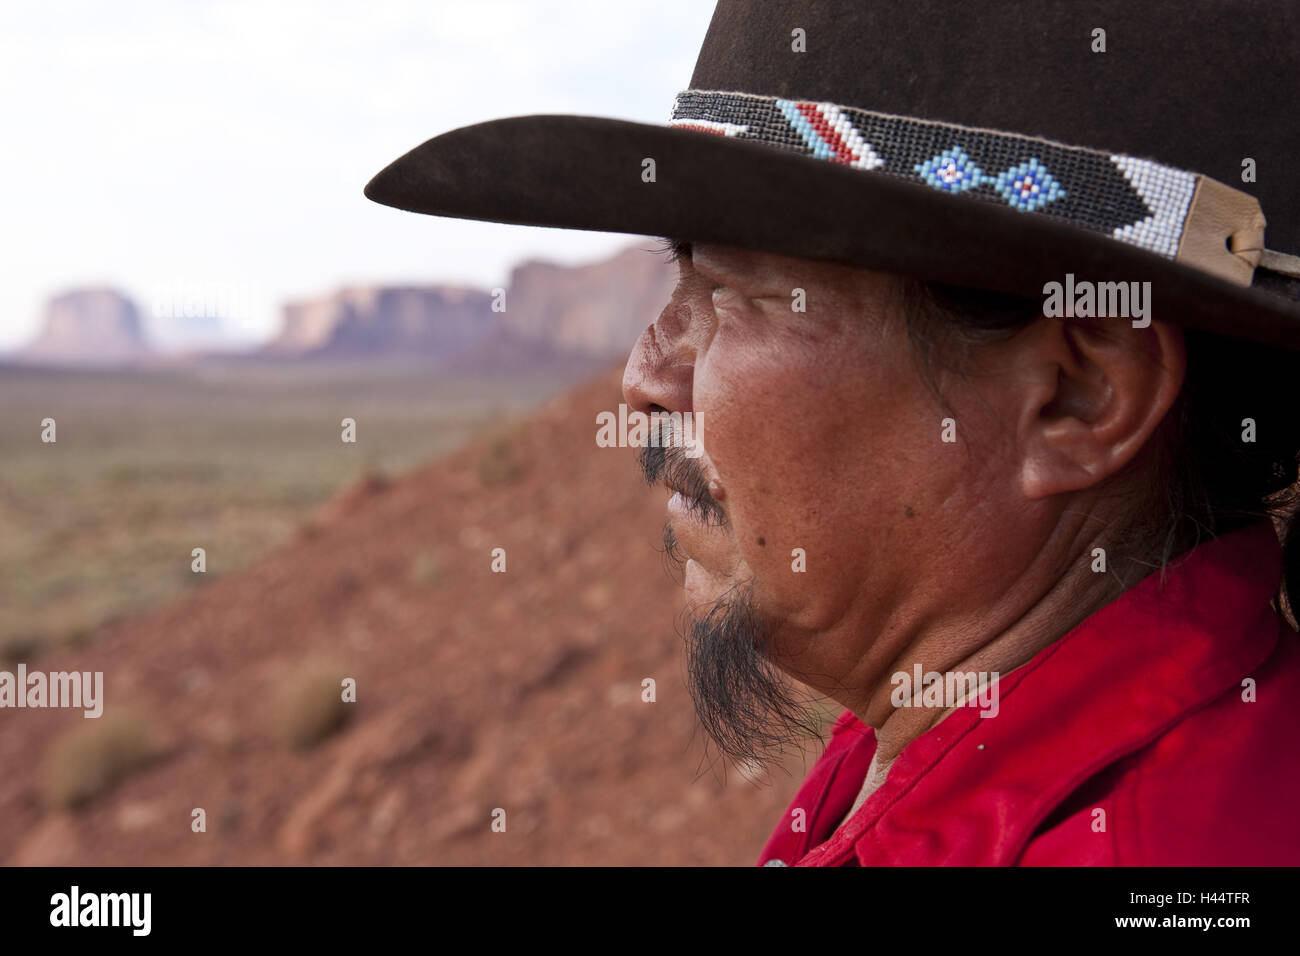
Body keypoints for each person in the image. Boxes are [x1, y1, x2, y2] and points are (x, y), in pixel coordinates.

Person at [365, 0, 1300, 864]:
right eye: (682, 275)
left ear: (1077, 395)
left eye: (736, 293)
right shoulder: (935, 745)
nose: (644, 379)